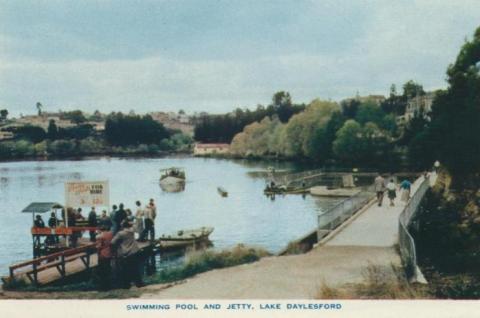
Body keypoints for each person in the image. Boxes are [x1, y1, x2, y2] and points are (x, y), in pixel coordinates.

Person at [111, 220, 145, 288]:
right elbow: (135, 226)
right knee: (136, 268)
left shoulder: (120, 233)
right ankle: (139, 283)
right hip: (135, 251)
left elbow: (112, 242)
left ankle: (126, 285)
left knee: (126, 269)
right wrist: (131, 223)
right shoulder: (132, 231)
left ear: (123, 226)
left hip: (126, 252)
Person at [96, 224, 113, 291]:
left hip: (102, 254)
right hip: (109, 253)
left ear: (100, 230)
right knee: (108, 270)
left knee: (102, 272)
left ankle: (103, 287)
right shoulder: (110, 234)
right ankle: (108, 285)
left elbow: (98, 246)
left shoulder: (100, 236)